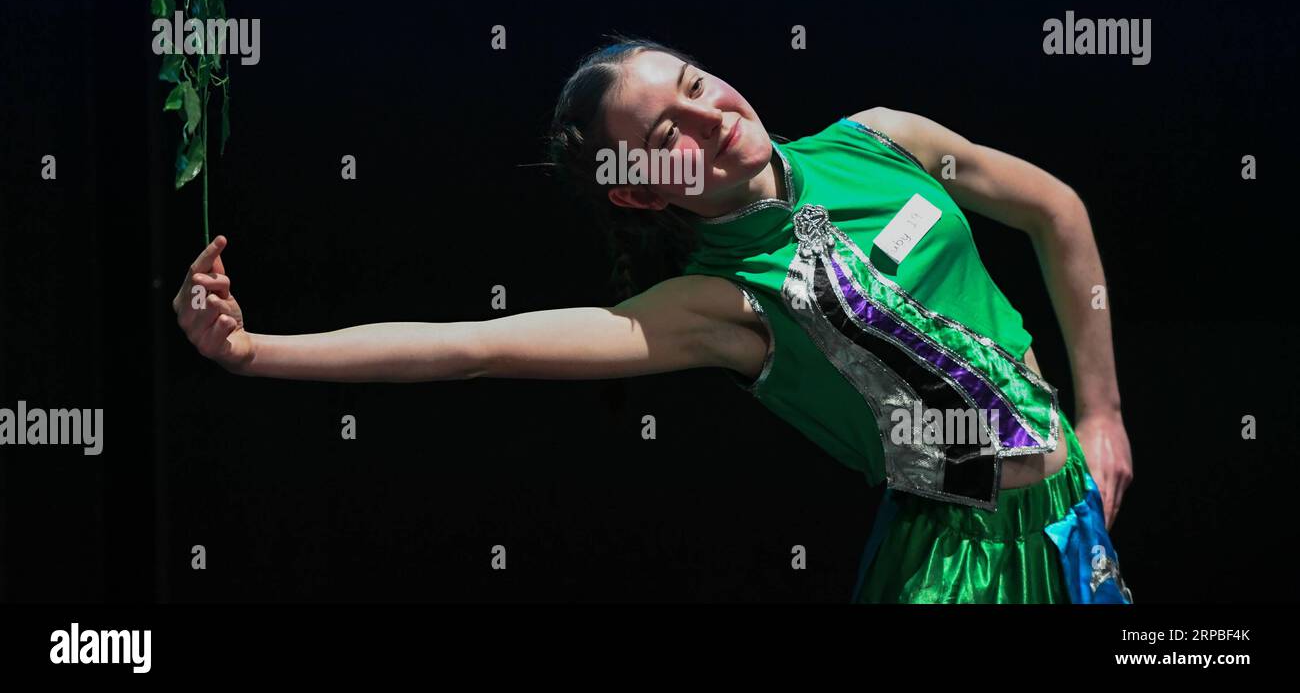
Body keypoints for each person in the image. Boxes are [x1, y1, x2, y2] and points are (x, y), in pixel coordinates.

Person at [173, 35, 1135, 603]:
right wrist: (256, 353)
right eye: (667, 135)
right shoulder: (718, 303)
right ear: (639, 191)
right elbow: (475, 348)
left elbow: (1058, 211)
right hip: (954, 563)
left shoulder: (884, 141)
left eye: (694, 84)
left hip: (1070, 516)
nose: (710, 114)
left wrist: (1102, 414)